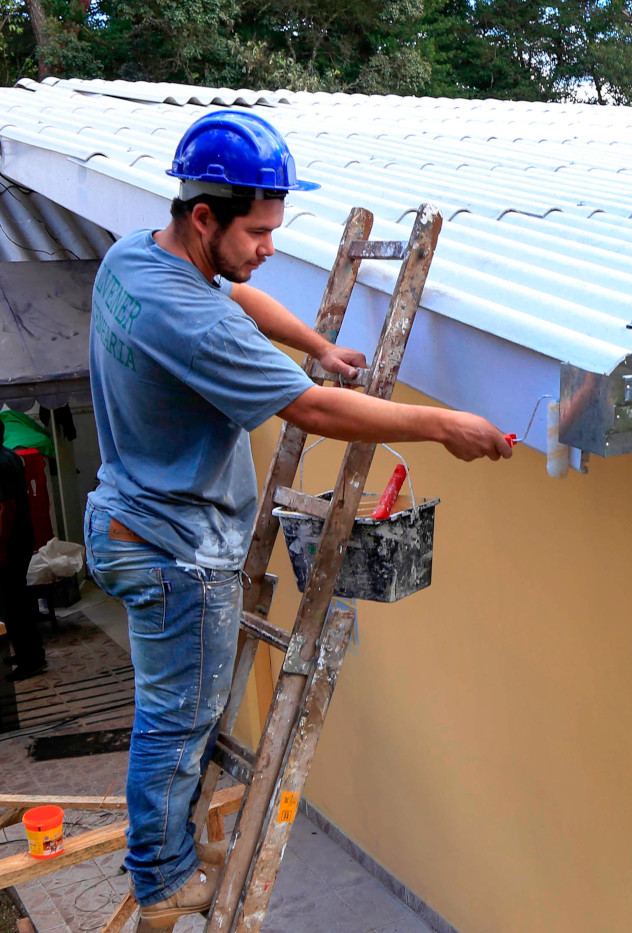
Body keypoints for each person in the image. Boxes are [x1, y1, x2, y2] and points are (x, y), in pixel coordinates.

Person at [84, 110, 513, 928]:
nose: (269, 247)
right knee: (178, 723)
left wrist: (315, 341)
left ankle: (166, 848)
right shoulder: (193, 322)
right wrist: (442, 422)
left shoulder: (135, 258)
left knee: (175, 714)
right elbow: (314, 410)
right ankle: (163, 876)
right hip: (178, 555)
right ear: (203, 217)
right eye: (257, 231)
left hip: (127, 518)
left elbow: (237, 296)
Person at [0, 445, 46, 681]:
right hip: (20, 538)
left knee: (14, 603)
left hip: (10, 543)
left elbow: (6, 508)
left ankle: (31, 659)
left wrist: (1, 546)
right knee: (15, 600)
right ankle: (27, 652)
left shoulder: (1, 462)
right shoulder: (9, 455)